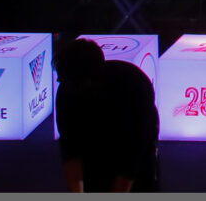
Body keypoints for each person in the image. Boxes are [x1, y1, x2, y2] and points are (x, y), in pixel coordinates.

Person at [58, 38, 160, 193]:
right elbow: (70, 150)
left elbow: (133, 155)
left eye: (75, 85)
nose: (68, 88)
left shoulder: (133, 87)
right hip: (94, 147)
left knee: (141, 186)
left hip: (136, 143)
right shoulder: (67, 89)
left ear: (91, 79)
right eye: (63, 82)